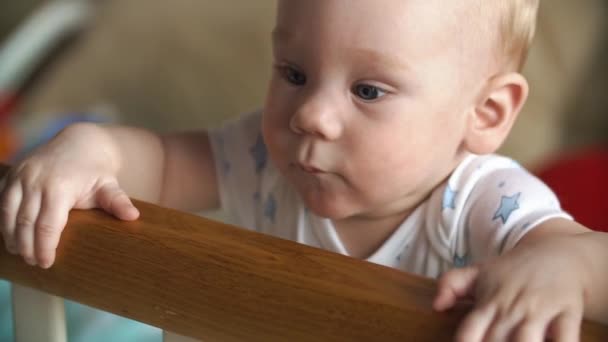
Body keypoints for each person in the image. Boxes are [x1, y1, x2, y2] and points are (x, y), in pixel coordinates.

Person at [1, 0, 607, 340]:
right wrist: (91, 150)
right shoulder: (266, 161)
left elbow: (588, 256)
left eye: (368, 90)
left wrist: (562, 266)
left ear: (485, 112)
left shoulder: (478, 201)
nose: (310, 115)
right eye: (293, 73)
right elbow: (159, 162)